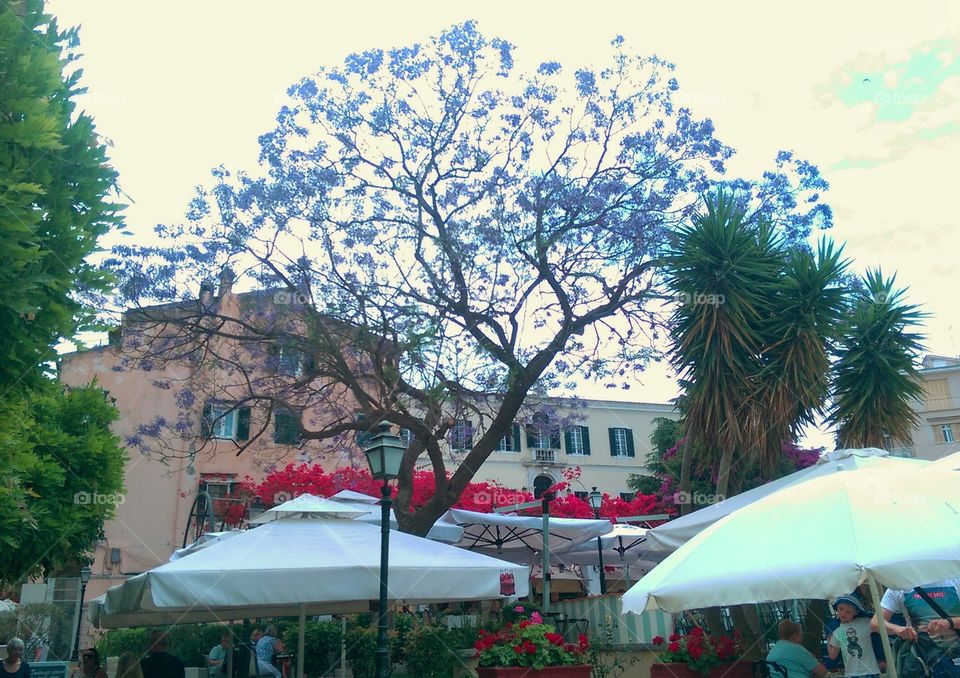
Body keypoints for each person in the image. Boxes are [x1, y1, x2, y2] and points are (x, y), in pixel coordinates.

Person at [875, 578, 960, 678]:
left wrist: (950, 622)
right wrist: (899, 630)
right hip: (921, 662)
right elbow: (876, 622)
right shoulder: (899, 587)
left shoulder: (956, 580)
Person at [827, 596, 882, 678]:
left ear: (856, 612)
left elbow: (881, 626)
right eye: (841, 609)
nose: (843, 613)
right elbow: (832, 655)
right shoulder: (837, 632)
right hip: (851, 674)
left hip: (869, 671)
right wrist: (829, 638)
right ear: (836, 608)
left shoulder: (865, 622)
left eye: (848, 612)